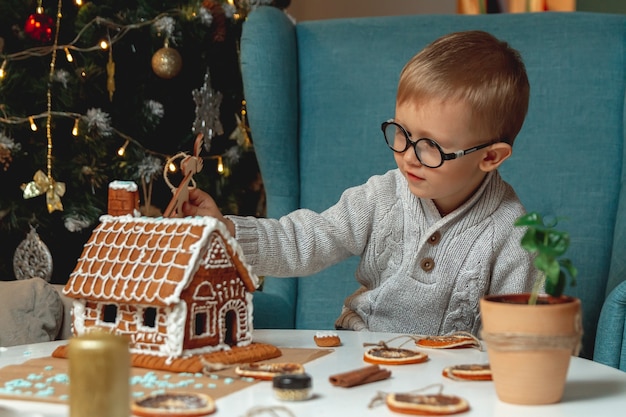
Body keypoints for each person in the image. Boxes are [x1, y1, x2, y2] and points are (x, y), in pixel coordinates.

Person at [182, 30, 535, 336]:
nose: (408, 155)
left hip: (449, 376)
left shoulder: (513, 233)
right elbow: (306, 240)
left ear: (490, 157)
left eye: (431, 146)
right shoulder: (382, 196)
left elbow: (515, 340)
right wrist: (225, 230)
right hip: (360, 346)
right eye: (403, 133)